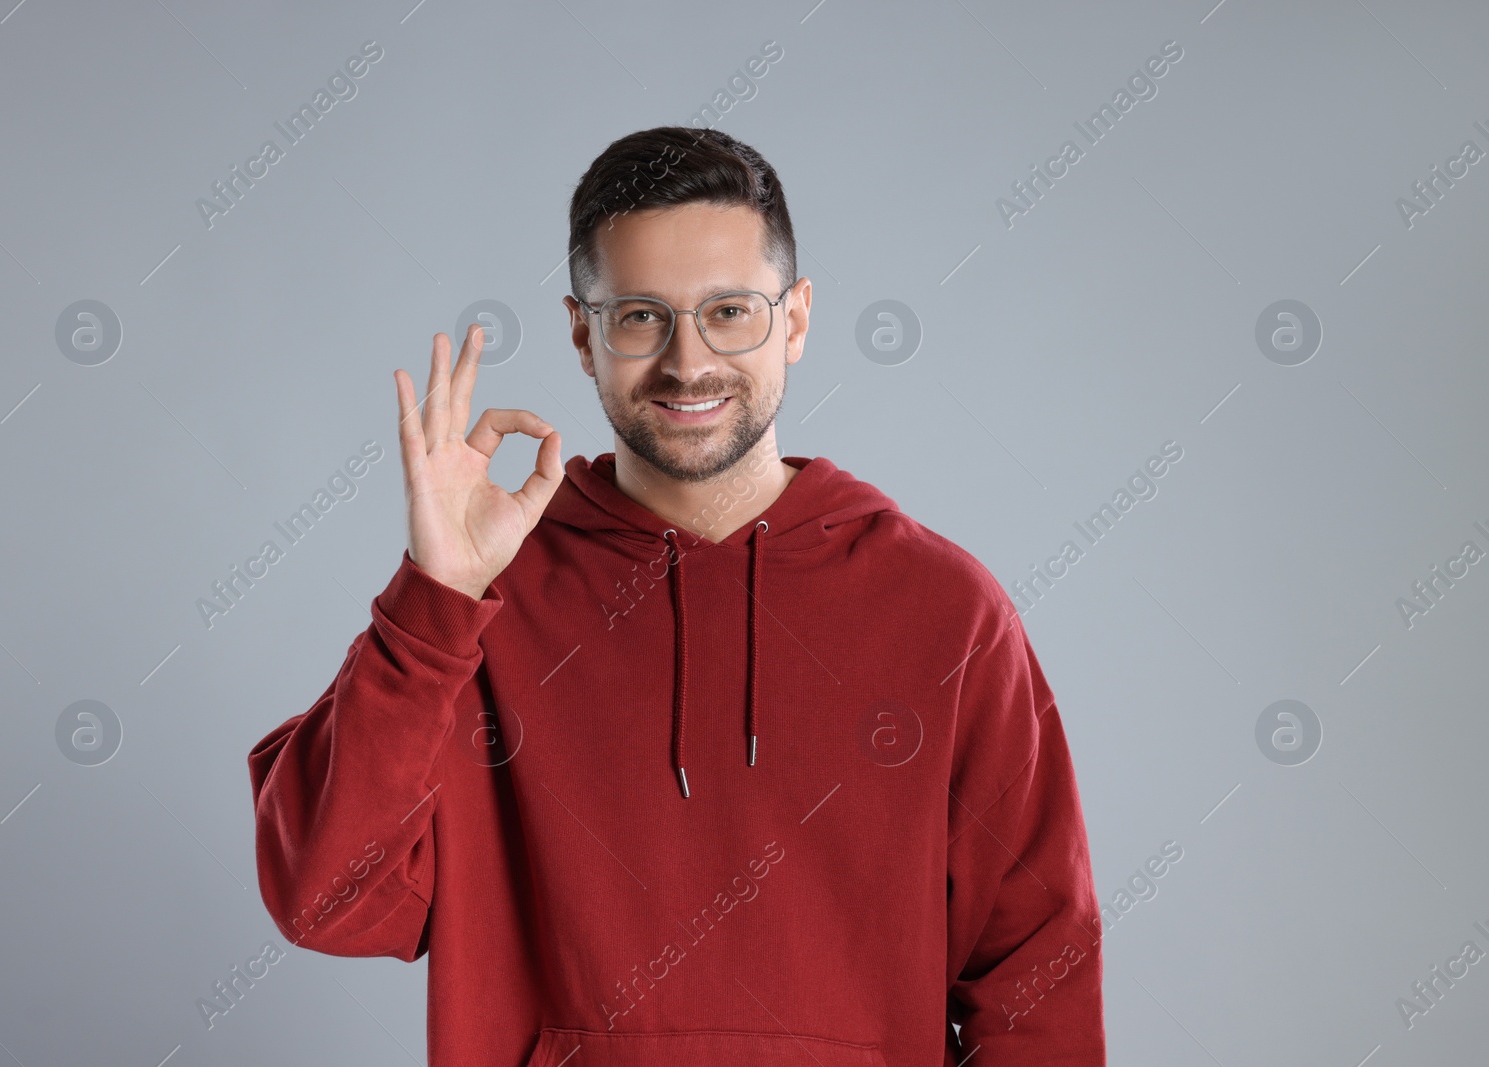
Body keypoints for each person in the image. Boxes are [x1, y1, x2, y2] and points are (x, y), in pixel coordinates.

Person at [249, 126, 1106, 1066]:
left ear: (798, 317)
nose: (688, 362)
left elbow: (1038, 977)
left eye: (730, 310)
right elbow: (323, 898)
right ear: (584, 334)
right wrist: (435, 596)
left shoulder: (948, 611)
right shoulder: (483, 599)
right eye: (641, 316)